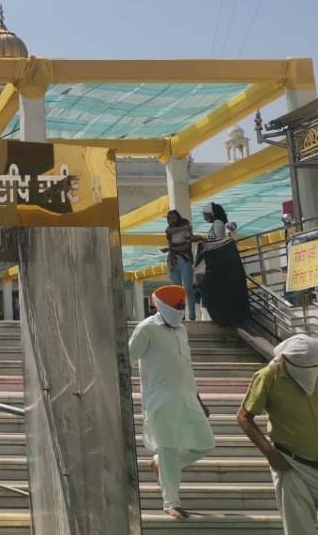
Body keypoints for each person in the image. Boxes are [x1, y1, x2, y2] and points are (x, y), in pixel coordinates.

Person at [237, 334, 318, 534]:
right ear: (286, 359)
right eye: (305, 367)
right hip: (292, 465)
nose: (311, 371)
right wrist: (270, 455)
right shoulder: (269, 376)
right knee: (299, 530)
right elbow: (244, 417)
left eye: (315, 366)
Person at [128, 285, 215, 519]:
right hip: (160, 399)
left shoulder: (181, 330)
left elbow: (186, 366)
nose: (181, 309)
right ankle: (171, 502)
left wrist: (199, 398)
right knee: (168, 448)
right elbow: (126, 359)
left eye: (182, 305)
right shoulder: (146, 328)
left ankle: (159, 463)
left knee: (205, 444)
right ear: (163, 306)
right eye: (177, 306)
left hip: (187, 396)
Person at [195, 202, 250, 327]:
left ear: (211, 213)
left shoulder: (218, 223)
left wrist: (204, 243)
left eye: (206, 214)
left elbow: (218, 240)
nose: (205, 217)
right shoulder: (216, 224)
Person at [161, 210, 198, 321]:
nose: (172, 220)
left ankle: (192, 315)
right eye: (169, 219)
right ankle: (179, 315)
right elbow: (168, 231)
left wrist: (171, 249)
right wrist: (185, 227)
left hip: (184, 261)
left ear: (178, 218)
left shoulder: (185, 230)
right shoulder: (170, 230)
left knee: (188, 288)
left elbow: (187, 247)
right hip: (173, 262)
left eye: (173, 218)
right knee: (176, 291)